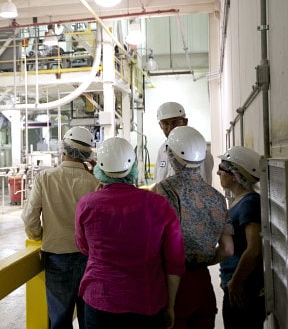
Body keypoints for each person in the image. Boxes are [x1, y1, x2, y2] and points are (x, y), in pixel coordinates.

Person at [75, 137, 185, 329]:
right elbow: (175, 260)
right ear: (134, 167)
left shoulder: (87, 204)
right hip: (147, 301)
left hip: (100, 300)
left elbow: (83, 247)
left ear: (99, 170)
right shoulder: (158, 204)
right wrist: (171, 305)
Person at [155, 126, 234, 329]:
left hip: (173, 286)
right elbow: (227, 249)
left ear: (171, 156)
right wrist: (206, 259)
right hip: (203, 286)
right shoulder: (216, 197)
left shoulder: (164, 189)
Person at [21, 126, 100, 329]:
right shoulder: (95, 182)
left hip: (56, 256)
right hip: (89, 258)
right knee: (88, 317)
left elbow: (30, 217)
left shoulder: (45, 178)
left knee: (59, 319)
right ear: (87, 155)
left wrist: (40, 236)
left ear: (63, 149)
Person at [217, 146, 266, 329]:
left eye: (222, 169)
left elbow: (253, 249)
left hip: (242, 289)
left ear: (234, 176)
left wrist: (235, 283)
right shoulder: (240, 201)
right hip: (235, 285)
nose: (217, 172)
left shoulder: (249, 203)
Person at [155, 101, 214, 184]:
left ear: (185, 122)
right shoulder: (162, 150)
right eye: (165, 124)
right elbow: (158, 180)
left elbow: (204, 183)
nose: (170, 128)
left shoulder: (197, 148)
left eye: (174, 122)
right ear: (160, 126)